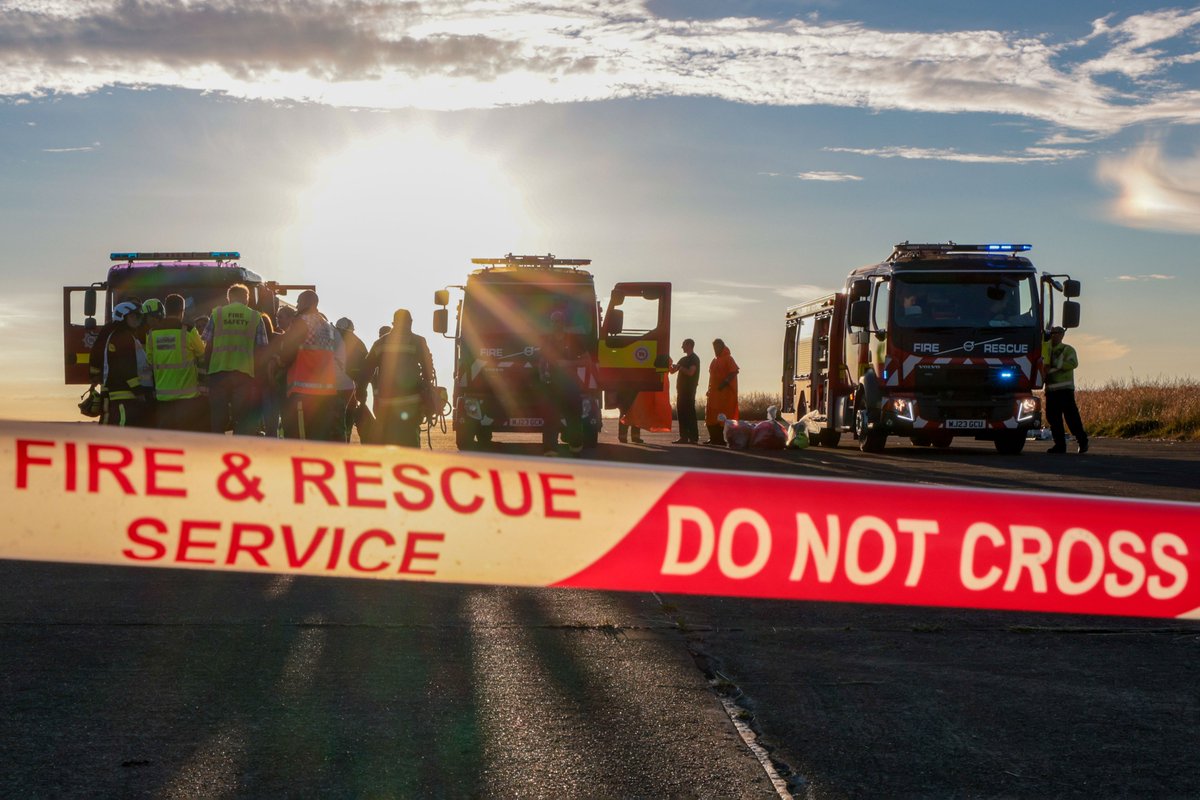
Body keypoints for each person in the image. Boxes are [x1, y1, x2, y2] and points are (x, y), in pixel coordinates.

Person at [356, 308, 434, 447]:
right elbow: (428, 370)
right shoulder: (418, 341)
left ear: (393, 323)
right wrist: (428, 390)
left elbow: (366, 370)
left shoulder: (380, 343)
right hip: (412, 403)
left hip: (386, 404)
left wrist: (360, 392)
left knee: (386, 440)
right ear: (410, 322)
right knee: (410, 441)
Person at [275, 290, 343, 441]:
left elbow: (289, 350)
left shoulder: (301, 321)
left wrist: (279, 362)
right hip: (325, 393)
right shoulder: (327, 326)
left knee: (299, 438)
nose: (297, 305)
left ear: (307, 303)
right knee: (318, 438)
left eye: (299, 301)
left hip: (303, 391)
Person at [203, 284, 268, 435]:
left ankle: (217, 451)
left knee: (218, 418)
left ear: (229, 298)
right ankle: (238, 451)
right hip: (243, 375)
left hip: (218, 372)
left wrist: (207, 372)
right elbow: (261, 349)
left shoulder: (217, 314)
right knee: (241, 418)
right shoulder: (255, 316)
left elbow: (208, 345)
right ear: (246, 298)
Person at [144, 294, 207, 431]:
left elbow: (149, 361)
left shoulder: (151, 334)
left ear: (166, 310)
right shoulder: (189, 331)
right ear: (182, 311)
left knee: (166, 441)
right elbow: (203, 353)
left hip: (162, 399)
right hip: (187, 398)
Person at [89, 301, 152, 427]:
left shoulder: (124, 335)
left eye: (138, 316)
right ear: (121, 316)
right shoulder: (123, 337)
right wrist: (138, 391)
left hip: (123, 394)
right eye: (133, 316)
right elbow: (126, 367)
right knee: (121, 428)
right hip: (124, 394)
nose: (137, 320)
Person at [538, 310, 585, 455]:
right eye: (554, 322)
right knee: (551, 417)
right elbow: (542, 359)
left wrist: (567, 363)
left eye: (559, 321)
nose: (556, 324)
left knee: (574, 418)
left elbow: (586, 361)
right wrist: (541, 374)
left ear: (563, 323)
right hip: (553, 384)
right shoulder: (548, 340)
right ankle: (550, 449)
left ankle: (575, 447)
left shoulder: (574, 340)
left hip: (571, 385)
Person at [1043, 326, 1088, 454]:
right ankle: (1060, 445)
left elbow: (1073, 364)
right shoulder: (1047, 349)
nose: (1052, 336)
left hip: (1065, 390)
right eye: (1051, 333)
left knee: (1071, 418)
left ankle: (1082, 441)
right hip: (1051, 391)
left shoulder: (1067, 349)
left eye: (1055, 333)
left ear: (1062, 335)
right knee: (1053, 419)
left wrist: (1057, 364)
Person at [336, 317, 369, 442]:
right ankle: (345, 440)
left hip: (339, 387)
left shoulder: (334, 339)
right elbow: (368, 366)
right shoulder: (359, 343)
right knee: (348, 417)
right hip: (351, 387)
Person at [704, 338, 739, 446]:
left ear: (722, 346)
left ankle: (720, 439)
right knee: (710, 417)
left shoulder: (728, 358)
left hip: (724, 395)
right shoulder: (714, 360)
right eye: (714, 347)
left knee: (721, 418)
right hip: (713, 394)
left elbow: (734, 372)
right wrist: (709, 390)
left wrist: (724, 384)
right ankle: (713, 438)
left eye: (717, 347)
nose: (715, 349)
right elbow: (711, 377)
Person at [669, 338, 701, 444]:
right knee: (681, 413)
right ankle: (683, 437)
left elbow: (691, 372)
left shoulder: (694, 358)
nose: (682, 347)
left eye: (683, 345)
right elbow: (672, 371)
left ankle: (693, 437)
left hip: (689, 390)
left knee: (690, 413)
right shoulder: (683, 359)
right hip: (681, 390)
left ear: (689, 345)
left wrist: (680, 368)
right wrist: (669, 364)